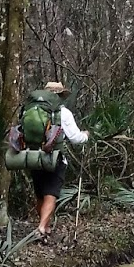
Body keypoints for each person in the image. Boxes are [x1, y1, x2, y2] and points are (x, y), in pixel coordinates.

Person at [30, 80, 89, 238]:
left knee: (40, 194)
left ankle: (45, 226)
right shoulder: (63, 113)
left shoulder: (33, 109)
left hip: (32, 156)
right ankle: (42, 227)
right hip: (54, 158)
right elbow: (75, 138)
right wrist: (85, 136)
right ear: (60, 96)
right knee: (51, 193)